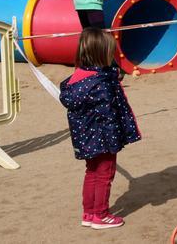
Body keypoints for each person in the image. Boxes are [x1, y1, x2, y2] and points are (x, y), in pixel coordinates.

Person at [59, 28, 141, 230]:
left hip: (85, 137)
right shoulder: (100, 83)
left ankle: (89, 212)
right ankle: (101, 215)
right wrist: (116, 140)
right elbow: (108, 115)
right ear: (100, 54)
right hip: (103, 138)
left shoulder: (77, 78)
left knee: (92, 172)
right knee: (105, 174)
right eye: (109, 52)